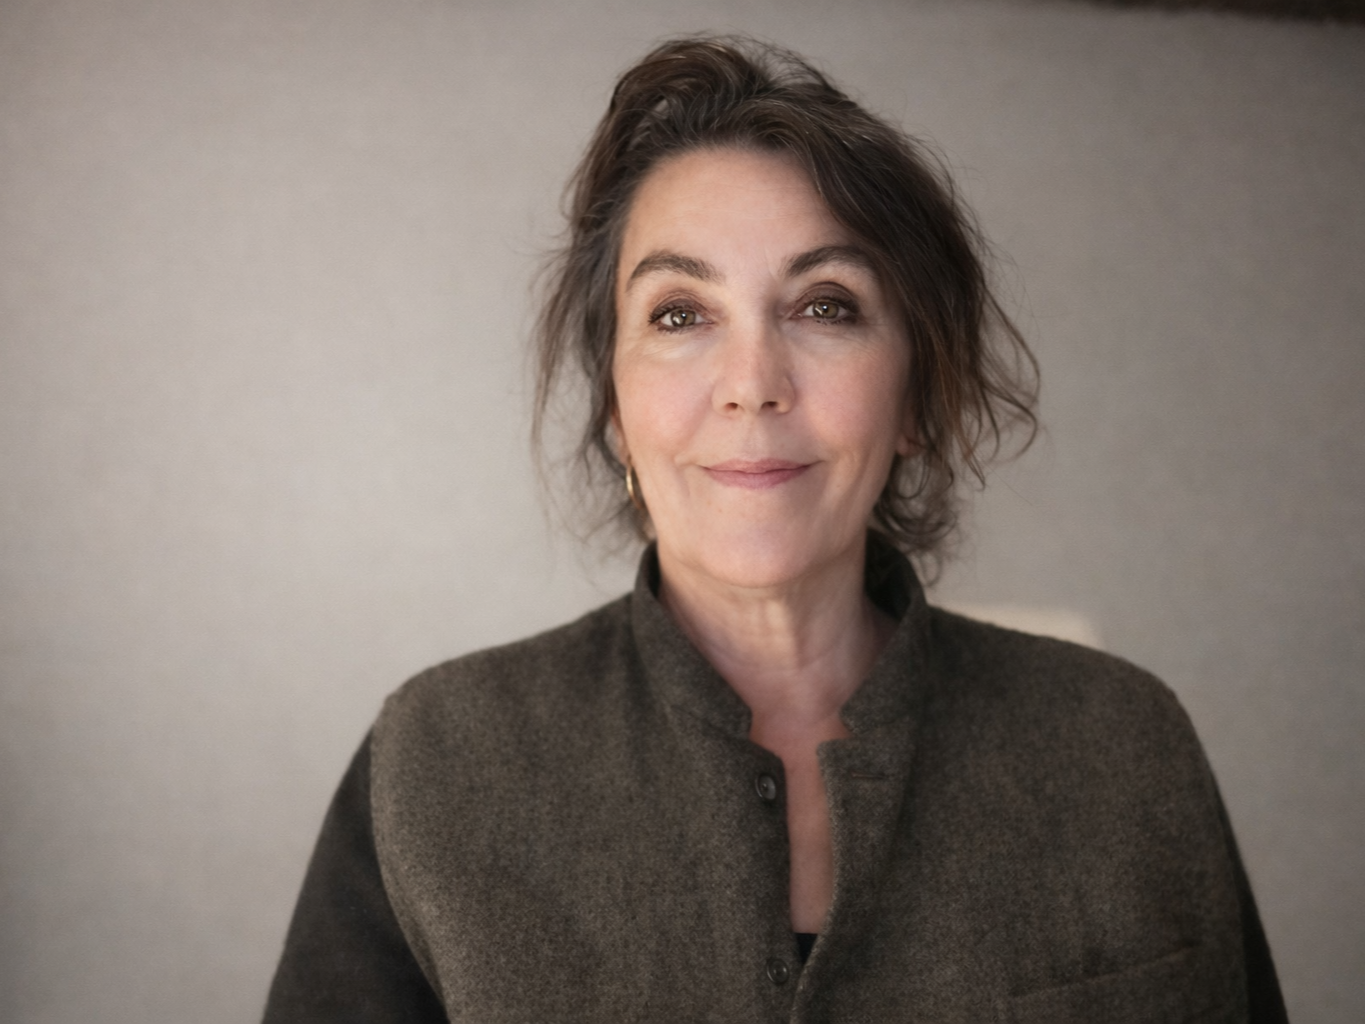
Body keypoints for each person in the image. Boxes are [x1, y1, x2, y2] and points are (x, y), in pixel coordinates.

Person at [263, 35, 1286, 1023]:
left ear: (918, 399)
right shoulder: (437, 761)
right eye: (678, 314)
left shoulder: (1124, 747)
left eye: (826, 306)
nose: (752, 384)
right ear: (617, 409)